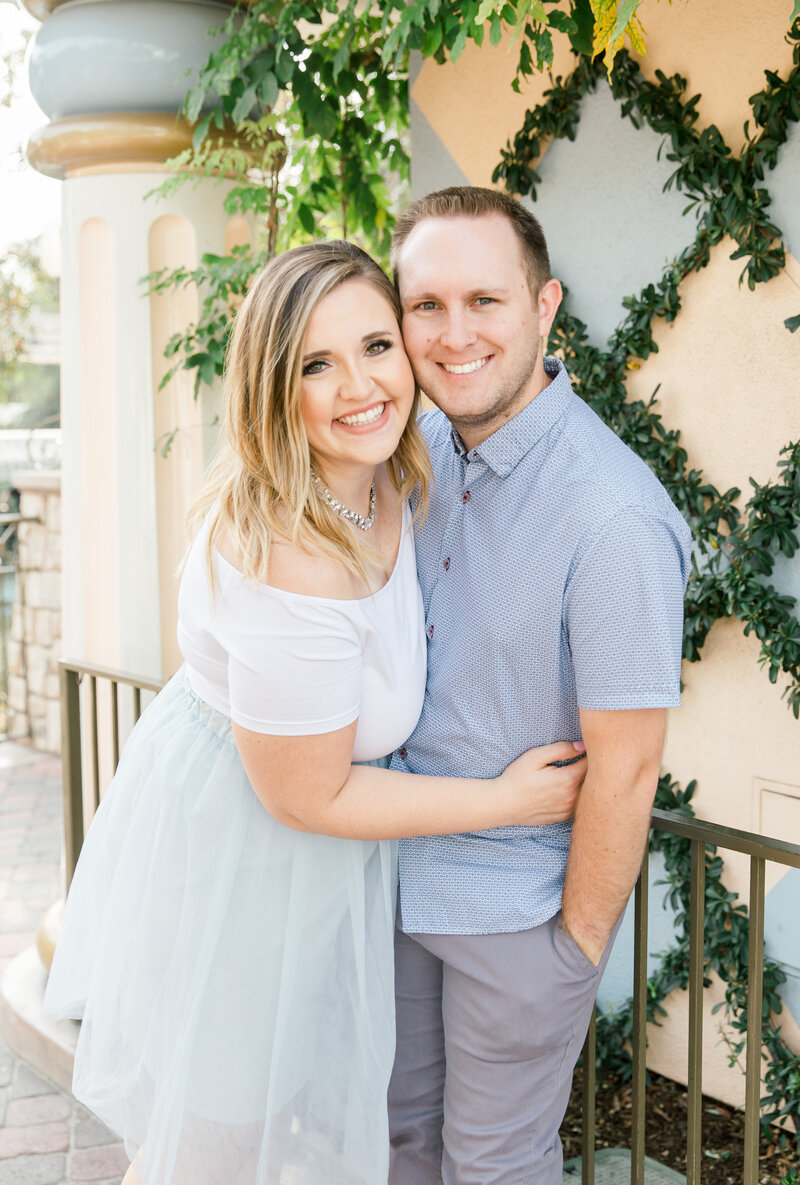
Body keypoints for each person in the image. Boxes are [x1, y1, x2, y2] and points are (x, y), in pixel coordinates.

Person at [44, 240, 587, 1185]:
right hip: (242, 863)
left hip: (309, 862)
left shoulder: (392, 473)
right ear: (271, 385)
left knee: (281, 1118)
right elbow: (308, 796)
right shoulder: (292, 558)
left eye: (377, 345)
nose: (360, 386)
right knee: (217, 1150)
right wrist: (507, 801)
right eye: (315, 364)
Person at [386, 187, 693, 1185]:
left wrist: (571, 948)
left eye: (485, 300)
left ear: (544, 306)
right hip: (389, 890)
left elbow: (630, 762)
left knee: (491, 1168)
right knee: (394, 1149)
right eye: (424, 305)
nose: (452, 332)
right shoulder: (412, 455)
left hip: (515, 921)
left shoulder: (610, 516)